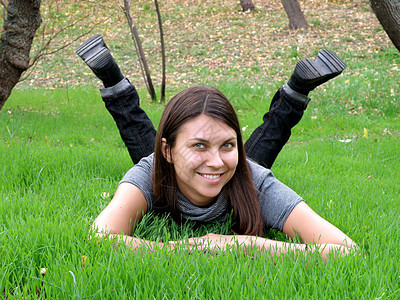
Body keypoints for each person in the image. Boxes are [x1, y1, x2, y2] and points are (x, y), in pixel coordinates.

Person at [77, 34, 357, 258]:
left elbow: (346, 251)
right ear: (168, 151)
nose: (216, 160)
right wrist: (188, 249)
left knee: (250, 166)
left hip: (242, 175)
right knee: (146, 150)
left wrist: (247, 246)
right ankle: (113, 80)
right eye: (199, 145)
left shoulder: (256, 182)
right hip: (164, 170)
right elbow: (100, 239)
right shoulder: (148, 174)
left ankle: (295, 91)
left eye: (228, 144)